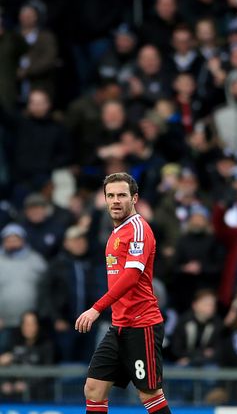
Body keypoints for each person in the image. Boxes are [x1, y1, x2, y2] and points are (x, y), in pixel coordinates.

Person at [75, 173, 171, 414]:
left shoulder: (139, 228)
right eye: (111, 195)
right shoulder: (116, 232)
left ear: (134, 198)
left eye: (121, 195)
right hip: (120, 325)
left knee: (149, 393)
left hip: (142, 324)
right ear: (105, 200)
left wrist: (96, 308)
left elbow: (131, 276)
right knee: (94, 388)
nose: (115, 200)